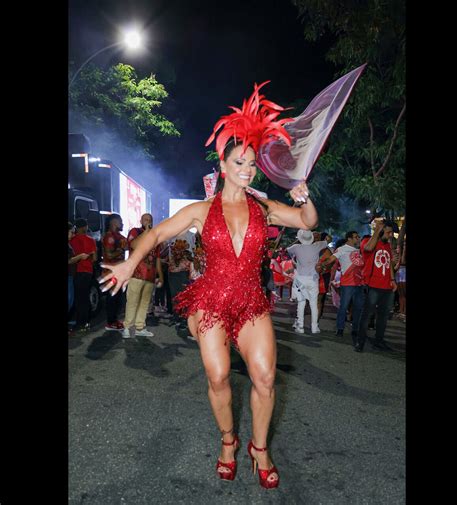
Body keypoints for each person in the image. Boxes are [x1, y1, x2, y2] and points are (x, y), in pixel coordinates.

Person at [99, 82, 318, 489]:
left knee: (265, 377)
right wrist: (130, 263)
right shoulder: (202, 210)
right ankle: (229, 441)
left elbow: (307, 222)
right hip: (212, 300)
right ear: (223, 165)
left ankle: (260, 447)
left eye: (253, 163)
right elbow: (158, 233)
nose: (249, 169)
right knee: (218, 377)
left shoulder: (265, 208)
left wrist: (303, 197)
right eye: (241, 162)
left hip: (251, 300)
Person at [355, 220, 398, 352]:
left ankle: (379, 341)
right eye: (388, 232)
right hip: (373, 285)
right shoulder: (368, 241)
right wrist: (376, 232)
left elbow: (389, 264)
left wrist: (392, 279)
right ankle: (360, 342)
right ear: (381, 231)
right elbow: (367, 249)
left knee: (383, 316)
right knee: (366, 315)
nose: (391, 235)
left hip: (387, 287)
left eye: (392, 232)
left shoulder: (387, 246)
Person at [122, 214, 164, 339]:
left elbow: (157, 258)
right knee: (132, 301)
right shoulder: (135, 231)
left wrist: (160, 275)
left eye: (150, 220)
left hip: (150, 276)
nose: (148, 222)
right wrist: (145, 232)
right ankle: (127, 327)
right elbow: (133, 245)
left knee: (145, 303)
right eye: (146, 219)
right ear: (141, 221)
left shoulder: (155, 236)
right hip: (136, 273)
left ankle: (140, 327)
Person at [321, 231, 365, 346]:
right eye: (356, 237)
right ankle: (340, 328)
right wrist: (321, 265)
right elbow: (330, 260)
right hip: (347, 283)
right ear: (349, 239)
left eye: (358, 237)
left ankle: (355, 329)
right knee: (344, 307)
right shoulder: (342, 249)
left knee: (358, 307)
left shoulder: (359, 250)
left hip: (359, 283)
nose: (358, 239)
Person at [287, 229, 328, 334]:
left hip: (300, 279)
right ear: (312, 238)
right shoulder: (317, 246)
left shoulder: (296, 247)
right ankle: (315, 327)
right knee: (313, 304)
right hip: (313, 279)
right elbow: (328, 239)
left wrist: (298, 240)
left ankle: (300, 327)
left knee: (301, 303)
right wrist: (316, 237)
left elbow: (287, 249)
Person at [69, 218, 97, 333]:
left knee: (76, 298)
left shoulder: (71, 240)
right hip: (87, 272)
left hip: (75, 271)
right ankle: (84, 323)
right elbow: (94, 258)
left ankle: (77, 321)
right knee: (85, 298)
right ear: (85, 227)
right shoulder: (91, 240)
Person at [102, 214, 128, 331]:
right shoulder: (109, 237)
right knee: (112, 297)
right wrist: (121, 249)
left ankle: (114, 320)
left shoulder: (120, 237)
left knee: (118, 298)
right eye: (120, 221)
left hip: (120, 272)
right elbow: (109, 255)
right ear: (114, 222)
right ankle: (111, 322)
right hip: (111, 272)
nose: (122, 224)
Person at [68, 222, 91, 329]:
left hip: (74, 274)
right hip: (79, 273)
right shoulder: (90, 240)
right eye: (71, 232)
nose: (73, 235)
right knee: (75, 299)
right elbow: (69, 260)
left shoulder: (71, 242)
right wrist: (81, 256)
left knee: (74, 299)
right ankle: (82, 322)